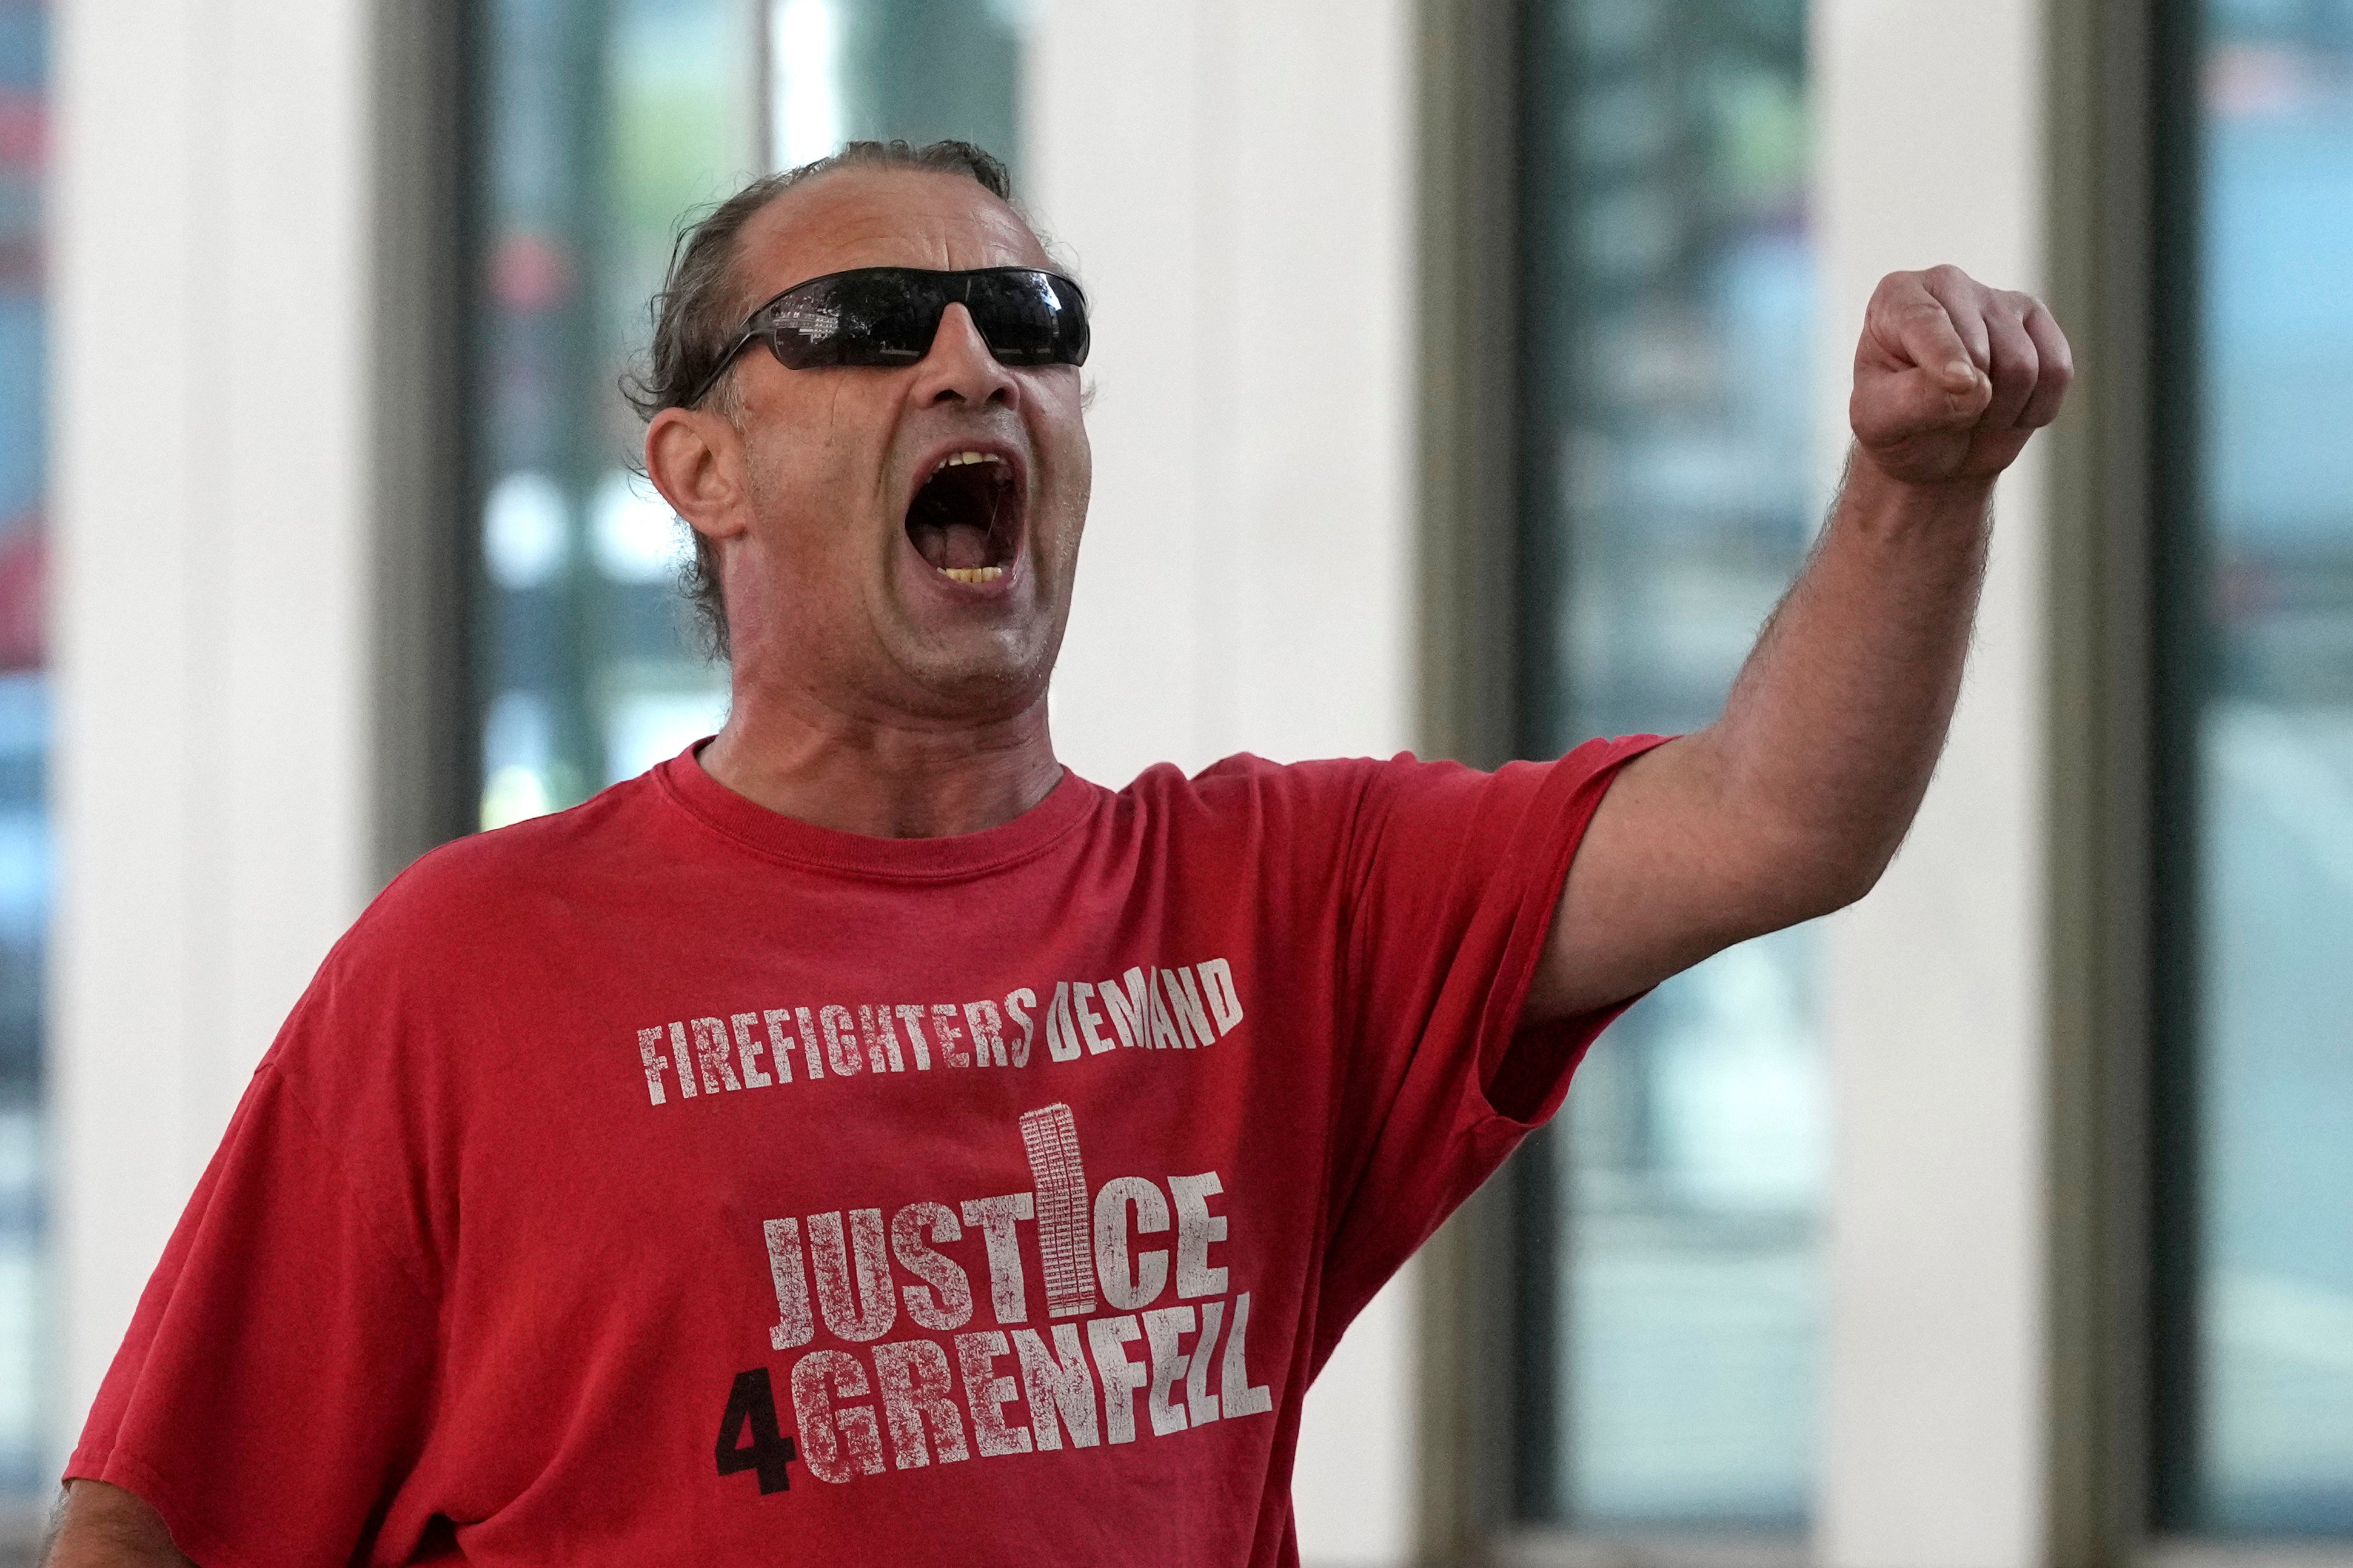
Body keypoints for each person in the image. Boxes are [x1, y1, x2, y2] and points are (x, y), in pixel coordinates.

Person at [44, 139, 2070, 1567]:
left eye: (1026, 313)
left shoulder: (1280, 896)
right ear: (702, 470)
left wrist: (1915, 489)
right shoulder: (474, 963)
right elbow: (166, 1511)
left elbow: (1773, 818)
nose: (969, 363)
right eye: (866, 320)